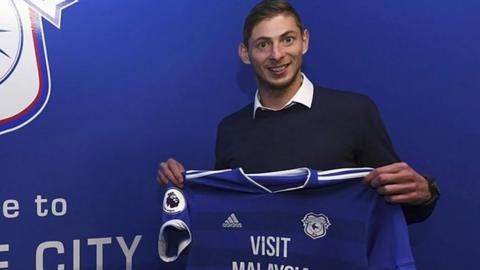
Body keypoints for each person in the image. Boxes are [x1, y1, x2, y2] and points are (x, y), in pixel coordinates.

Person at [157, 0, 439, 223]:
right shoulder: (230, 129)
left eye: (287, 39)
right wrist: (182, 187)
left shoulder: (354, 112)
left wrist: (424, 193)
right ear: (245, 53)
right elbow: (224, 217)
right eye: (263, 44)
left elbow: (402, 207)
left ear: (305, 40)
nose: (277, 54)